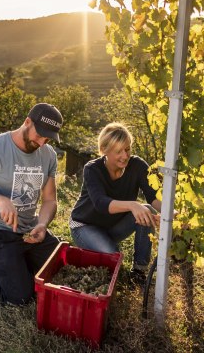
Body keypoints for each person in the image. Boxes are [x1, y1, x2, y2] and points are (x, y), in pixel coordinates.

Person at [0, 102, 63, 305]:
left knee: (60, 268)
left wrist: (42, 225)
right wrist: (0, 200)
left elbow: (50, 200)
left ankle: (18, 258)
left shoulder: (49, 155)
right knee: (20, 297)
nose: (42, 142)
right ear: (27, 122)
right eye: (39, 134)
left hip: (28, 229)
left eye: (48, 138)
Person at [69, 122, 162, 285]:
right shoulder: (92, 169)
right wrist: (133, 205)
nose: (125, 156)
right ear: (104, 150)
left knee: (147, 210)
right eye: (118, 151)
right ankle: (100, 249)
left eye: (127, 149)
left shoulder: (137, 165)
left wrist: (171, 214)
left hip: (111, 228)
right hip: (84, 226)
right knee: (114, 256)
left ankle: (138, 271)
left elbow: (153, 197)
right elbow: (101, 203)